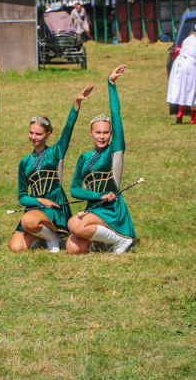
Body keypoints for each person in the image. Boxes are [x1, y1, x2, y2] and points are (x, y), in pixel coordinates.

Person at [9, 84, 93, 253]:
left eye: (38, 134)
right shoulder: (24, 162)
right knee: (16, 247)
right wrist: (39, 201)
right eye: (31, 132)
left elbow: (68, 129)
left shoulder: (55, 152)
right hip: (36, 206)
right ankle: (44, 235)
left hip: (55, 205)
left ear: (47, 135)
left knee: (28, 221)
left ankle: (51, 236)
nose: (33, 137)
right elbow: (22, 197)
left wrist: (76, 104)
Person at [67, 64, 135, 254]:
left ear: (111, 133)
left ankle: (121, 240)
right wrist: (98, 196)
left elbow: (116, 116)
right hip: (95, 206)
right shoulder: (84, 157)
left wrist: (111, 84)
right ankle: (103, 242)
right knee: (73, 248)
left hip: (113, 209)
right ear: (91, 133)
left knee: (74, 223)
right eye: (98, 132)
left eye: (106, 132)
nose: (102, 136)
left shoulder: (114, 151)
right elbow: (74, 189)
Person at [166, 23, 196, 124]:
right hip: (190, 65)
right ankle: (194, 118)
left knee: (183, 88)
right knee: (193, 88)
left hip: (179, 63)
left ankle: (180, 113)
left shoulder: (188, 39)